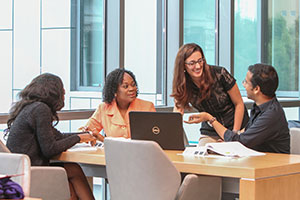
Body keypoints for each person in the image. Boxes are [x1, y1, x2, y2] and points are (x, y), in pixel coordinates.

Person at [5, 73, 96, 200]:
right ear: (54, 92)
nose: (64, 95)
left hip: (19, 172)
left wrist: (85, 135)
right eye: (63, 91)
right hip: (32, 171)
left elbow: (57, 136)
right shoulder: (40, 109)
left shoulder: (30, 107)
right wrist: (79, 138)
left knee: (71, 189)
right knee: (74, 170)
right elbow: (50, 149)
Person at [185, 63, 290, 153]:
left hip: (272, 167)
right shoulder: (260, 107)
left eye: (246, 82)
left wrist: (210, 119)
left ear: (256, 89)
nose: (243, 84)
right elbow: (245, 133)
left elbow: (241, 141)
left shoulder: (271, 115)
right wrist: (228, 142)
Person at [171, 43, 249, 145]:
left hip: (236, 127)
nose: (198, 66)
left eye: (200, 61)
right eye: (192, 63)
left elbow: (239, 103)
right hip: (211, 131)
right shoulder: (182, 84)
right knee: (202, 155)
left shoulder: (220, 73)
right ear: (183, 66)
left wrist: (234, 135)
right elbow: (177, 112)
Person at [80, 68, 156, 141]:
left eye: (133, 85)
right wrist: (88, 134)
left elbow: (156, 136)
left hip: (141, 152)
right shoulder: (103, 108)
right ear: (114, 91)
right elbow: (85, 132)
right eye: (125, 86)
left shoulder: (147, 107)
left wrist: (103, 139)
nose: (132, 89)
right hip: (113, 153)